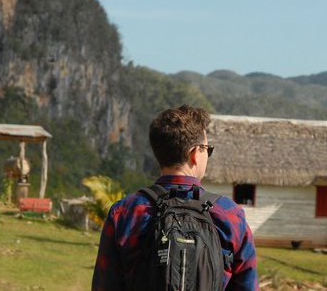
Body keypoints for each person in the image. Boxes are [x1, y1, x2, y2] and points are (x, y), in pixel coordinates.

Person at [91, 105, 258, 291]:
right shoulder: (230, 215)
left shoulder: (124, 212)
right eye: (207, 149)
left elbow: (104, 285)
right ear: (195, 153)